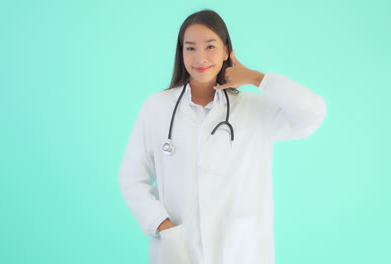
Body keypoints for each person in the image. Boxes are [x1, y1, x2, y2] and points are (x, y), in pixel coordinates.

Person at [118, 9, 327, 264]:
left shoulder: (253, 109)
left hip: (243, 252)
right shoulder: (157, 108)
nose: (200, 58)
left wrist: (256, 78)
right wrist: (163, 225)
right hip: (180, 252)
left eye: (210, 47)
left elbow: (313, 113)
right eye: (190, 48)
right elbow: (132, 178)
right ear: (181, 52)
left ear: (227, 51)